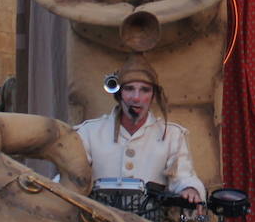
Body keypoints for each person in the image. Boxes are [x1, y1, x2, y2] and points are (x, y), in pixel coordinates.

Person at [75, 61, 205, 203]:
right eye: (129, 89)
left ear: (153, 95)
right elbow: (71, 177)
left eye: (145, 90)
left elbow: (183, 177)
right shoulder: (89, 132)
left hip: (152, 221)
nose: (136, 97)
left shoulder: (172, 135)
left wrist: (190, 189)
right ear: (119, 94)